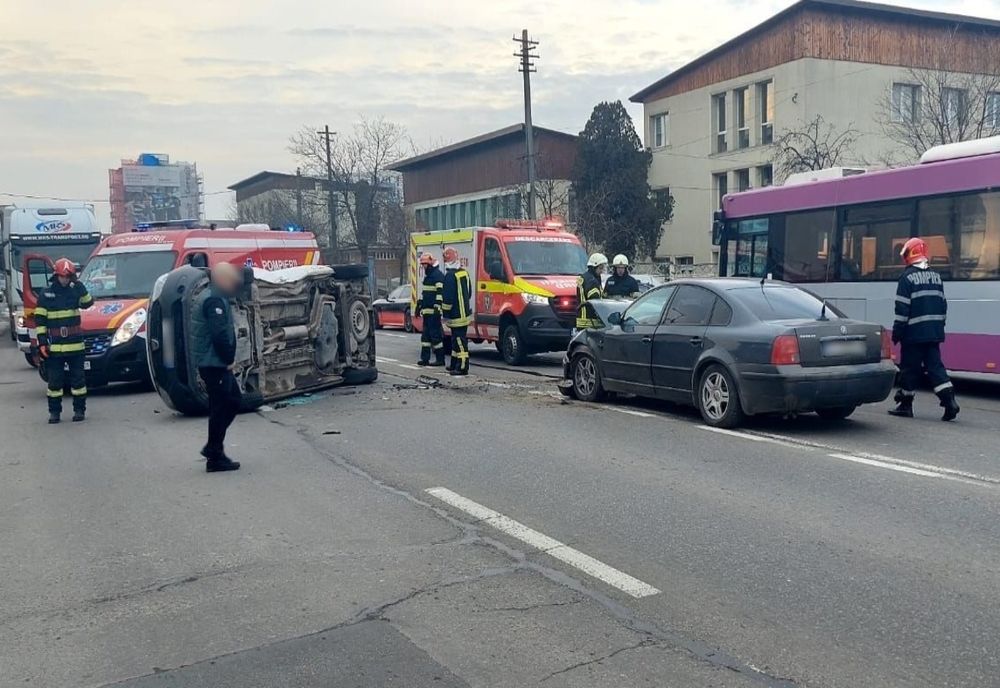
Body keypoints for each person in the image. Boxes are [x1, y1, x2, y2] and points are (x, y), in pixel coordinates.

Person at [888, 237, 960, 421]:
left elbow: (902, 310)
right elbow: (943, 305)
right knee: (935, 367)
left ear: (909, 254)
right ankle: (950, 401)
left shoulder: (907, 278)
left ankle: (905, 405)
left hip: (913, 335)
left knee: (909, 370)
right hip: (933, 333)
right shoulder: (936, 277)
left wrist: (897, 333)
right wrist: (938, 328)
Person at [192, 262, 243, 472]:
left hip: (212, 361)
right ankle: (214, 454)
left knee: (230, 402)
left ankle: (214, 450)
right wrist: (228, 359)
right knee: (223, 405)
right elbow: (219, 334)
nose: (235, 283)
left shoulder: (215, 296)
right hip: (214, 363)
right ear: (221, 279)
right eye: (231, 279)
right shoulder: (214, 300)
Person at [36, 258, 94, 423]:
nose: (65, 280)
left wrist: (78, 284)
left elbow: (88, 302)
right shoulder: (46, 294)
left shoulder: (75, 290)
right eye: (63, 277)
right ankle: (54, 413)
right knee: (54, 383)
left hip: (75, 346)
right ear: (56, 275)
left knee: (78, 382)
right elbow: (40, 321)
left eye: (68, 277)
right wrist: (42, 343)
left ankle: (79, 410)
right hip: (55, 348)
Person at [440, 246, 472, 376]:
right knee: (456, 340)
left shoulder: (449, 276)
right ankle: (454, 364)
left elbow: (447, 299)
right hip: (465, 313)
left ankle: (463, 366)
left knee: (459, 340)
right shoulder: (464, 273)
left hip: (456, 315)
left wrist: (445, 315)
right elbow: (469, 292)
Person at [416, 253, 446, 367]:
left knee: (435, 336)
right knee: (425, 337)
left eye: (424, 265)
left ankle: (440, 359)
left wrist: (437, 308)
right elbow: (426, 293)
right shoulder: (428, 277)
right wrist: (420, 305)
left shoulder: (437, 276)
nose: (423, 267)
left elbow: (440, 293)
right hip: (427, 312)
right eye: (422, 265)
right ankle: (425, 359)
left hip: (434, 312)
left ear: (430, 264)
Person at [576, 252, 607, 329]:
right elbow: (595, 302)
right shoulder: (592, 281)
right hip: (590, 322)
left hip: (581, 320)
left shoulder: (584, 277)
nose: (602, 271)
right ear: (593, 267)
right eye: (600, 268)